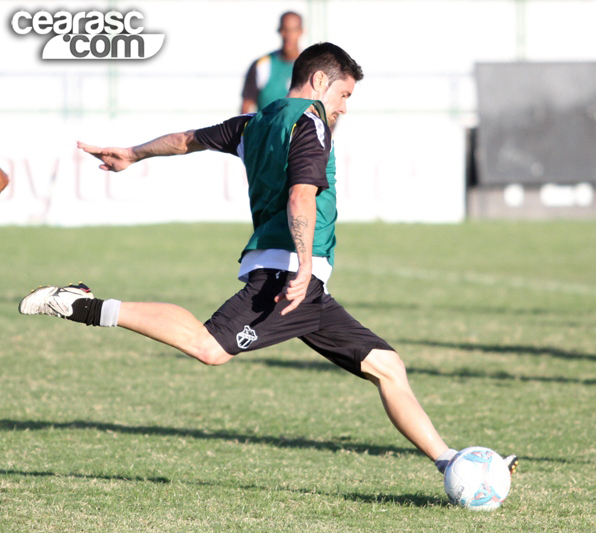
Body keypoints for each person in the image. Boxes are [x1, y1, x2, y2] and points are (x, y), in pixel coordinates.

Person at [19, 42, 517, 481]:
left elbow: (189, 140)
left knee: (387, 366)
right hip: (290, 275)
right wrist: (304, 266)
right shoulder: (310, 123)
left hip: (301, 282)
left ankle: (450, 461)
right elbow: (301, 196)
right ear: (319, 81)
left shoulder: (254, 122)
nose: (345, 107)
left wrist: (134, 153)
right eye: (344, 94)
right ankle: (82, 304)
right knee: (209, 347)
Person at [240, 11, 303, 114]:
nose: (289, 35)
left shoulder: (311, 67)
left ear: (301, 31)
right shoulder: (262, 65)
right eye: (285, 30)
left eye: (293, 30)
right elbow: (246, 106)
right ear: (279, 31)